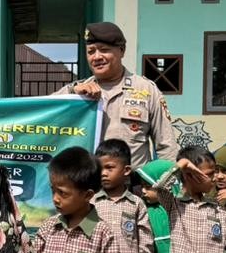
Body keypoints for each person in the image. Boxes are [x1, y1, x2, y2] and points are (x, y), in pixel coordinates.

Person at [57, 22, 177, 168]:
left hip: (133, 186)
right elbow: (43, 111)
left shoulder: (146, 90)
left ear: (122, 50)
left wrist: (164, 184)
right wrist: (73, 93)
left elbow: (166, 145)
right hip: (89, 185)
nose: (97, 57)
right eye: (91, 51)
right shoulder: (77, 91)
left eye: (104, 50)